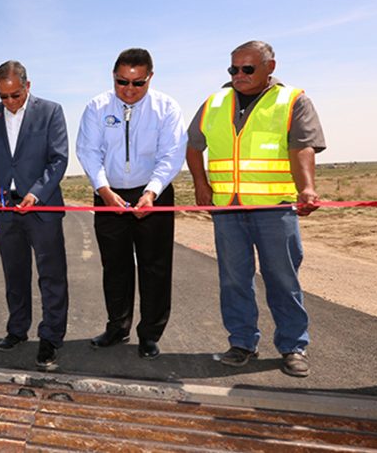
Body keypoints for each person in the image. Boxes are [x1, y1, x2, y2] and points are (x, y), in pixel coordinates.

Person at [186, 40, 325, 378]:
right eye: (233, 69)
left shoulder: (292, 100)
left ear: (270, 67)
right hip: (227, 210)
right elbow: (193, 146)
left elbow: (302, 147)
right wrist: (201, 185)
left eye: (247, 69)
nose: (239, 75)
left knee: (282, 278)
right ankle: (242, 342)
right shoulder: (214, 101)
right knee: (234, 279)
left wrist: (307, 187)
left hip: (274, 208)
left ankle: (293, 346)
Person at [76, 48, 187, 360]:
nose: (128, 90)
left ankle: (150, 333)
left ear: (150, 77)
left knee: (155, 266)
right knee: (115, 265)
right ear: (113, 76)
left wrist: (151, 192)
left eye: (138, 84)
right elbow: (88, 151)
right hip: (109, 193)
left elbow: (171, 154)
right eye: (121, 82)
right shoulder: (97, 107)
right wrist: (104, 190)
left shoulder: (166, 108)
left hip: (153, 193)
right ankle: (117, 327)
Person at [0, 60, 69, 370]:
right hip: (6, 209)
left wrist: (36, 192)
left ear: (28, 86)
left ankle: (51, 337)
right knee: (14, 274)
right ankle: (17, 329)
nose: (10, 102)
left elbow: (58, 159)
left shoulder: (51, 111)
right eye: (3, 96)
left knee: (51, 276)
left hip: (41, 207)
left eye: (15, 95)